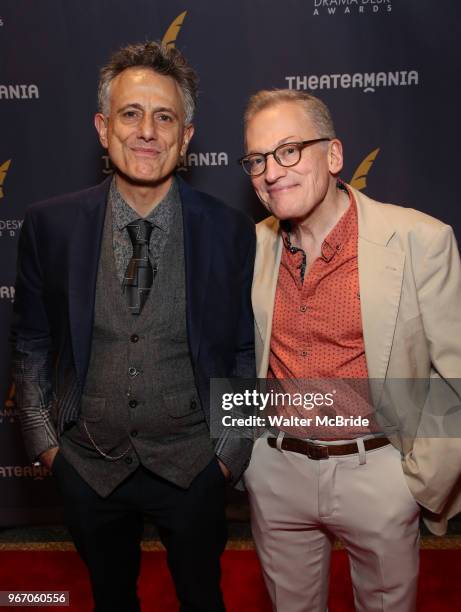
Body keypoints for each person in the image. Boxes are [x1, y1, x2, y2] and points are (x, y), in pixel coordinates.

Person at [11, 41, 255, 612]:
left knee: (203, 598)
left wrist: (227, 454)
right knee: (110, 599)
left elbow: (244, 350)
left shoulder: (231, 231)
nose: (147, 130)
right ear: (102, 127)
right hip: (88, 465)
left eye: (164, 116)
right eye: (130, 113)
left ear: (186, 136)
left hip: (195, 465)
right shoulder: (50, 226)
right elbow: (30, 342)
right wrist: (48, 449)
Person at [239, 89, 461, 611]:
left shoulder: (419, 239)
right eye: (257, 160)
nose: (272, 172)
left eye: (289, 150)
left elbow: (454, 374)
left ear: (334, 156)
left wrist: (417, 480)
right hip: (276, 473)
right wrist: (248, 457)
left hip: (380, 469)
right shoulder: (247, 247)